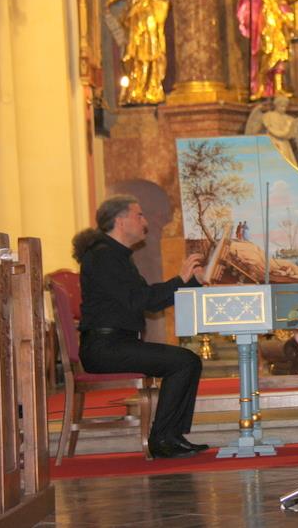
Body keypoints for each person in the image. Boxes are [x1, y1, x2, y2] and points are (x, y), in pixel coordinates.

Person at [72, 195, 208, 459]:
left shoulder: (115, 255)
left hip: (116, 344)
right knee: (184, 362)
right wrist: (180, 279)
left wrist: (191, 282)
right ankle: (163, 439)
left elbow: (149, 300)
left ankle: (171, 436)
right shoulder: (103, 256)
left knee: (187, 361)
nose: (144, 221)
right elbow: (141, 300)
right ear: (120, 221)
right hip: (104, 347)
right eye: (139, 215)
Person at [105, 0, 170, 105]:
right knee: (133, 56)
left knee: (148, 55)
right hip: (135, 18)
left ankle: (150, 89)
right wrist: (110, 1)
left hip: (148, 17)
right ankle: (136, 89)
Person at [237, 0, 298, 100]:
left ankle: (278, 87)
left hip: (279, 16)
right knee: (265, 53)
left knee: (280, 54)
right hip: (266, 18)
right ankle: (260, 86)